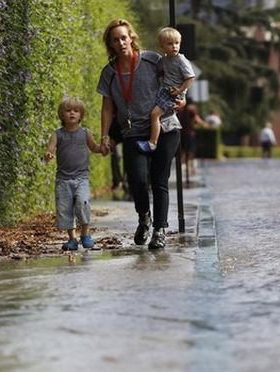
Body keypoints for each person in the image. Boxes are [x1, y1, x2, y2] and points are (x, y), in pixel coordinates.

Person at [97, 19, 183, 250]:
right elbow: (107, 107)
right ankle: (144, 217)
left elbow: (177, 77)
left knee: (159, 180)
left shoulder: (152, 60)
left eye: (124, 37)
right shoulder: (109, 73)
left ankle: (159, 230)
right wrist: (104, 135)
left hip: (165, 127)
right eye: (115, 39)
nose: (121, 42)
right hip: (133, 130)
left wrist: (181, 98)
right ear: (111, 44)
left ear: (131, 38)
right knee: (136, 179)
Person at [44, 97, 102, 251]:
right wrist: (49, 155)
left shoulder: (85, 133)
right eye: (68, 111)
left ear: (81, 115)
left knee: (83, 203)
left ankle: (85, 234)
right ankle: (72, 238)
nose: (72, 113)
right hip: (63, 180)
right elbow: (50, 149)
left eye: (76, 111)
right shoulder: (57, 134)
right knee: (65, 209)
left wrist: (102, 148)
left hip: (81, 177)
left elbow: (94, 147)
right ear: (61, 115)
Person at [137, 27, 196, 154]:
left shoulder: (181, 60)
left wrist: (180, 91)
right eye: (170, 44)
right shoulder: (164, 59)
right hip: (165, 91)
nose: (174, 46)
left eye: (177, 43)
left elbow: (190, 77)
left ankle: (152, 143)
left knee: (155, 114)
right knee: (152, 112)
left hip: (173, 94)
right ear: (162, 46)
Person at [177, 101, 206, 176]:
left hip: (181, 134)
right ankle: (189, 168)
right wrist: (205, 125)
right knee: (190, 152)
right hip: (189, 134)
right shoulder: (191, 110)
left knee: (183, 151)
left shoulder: (180, 109)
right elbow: (197, 120)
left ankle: (184, 167)